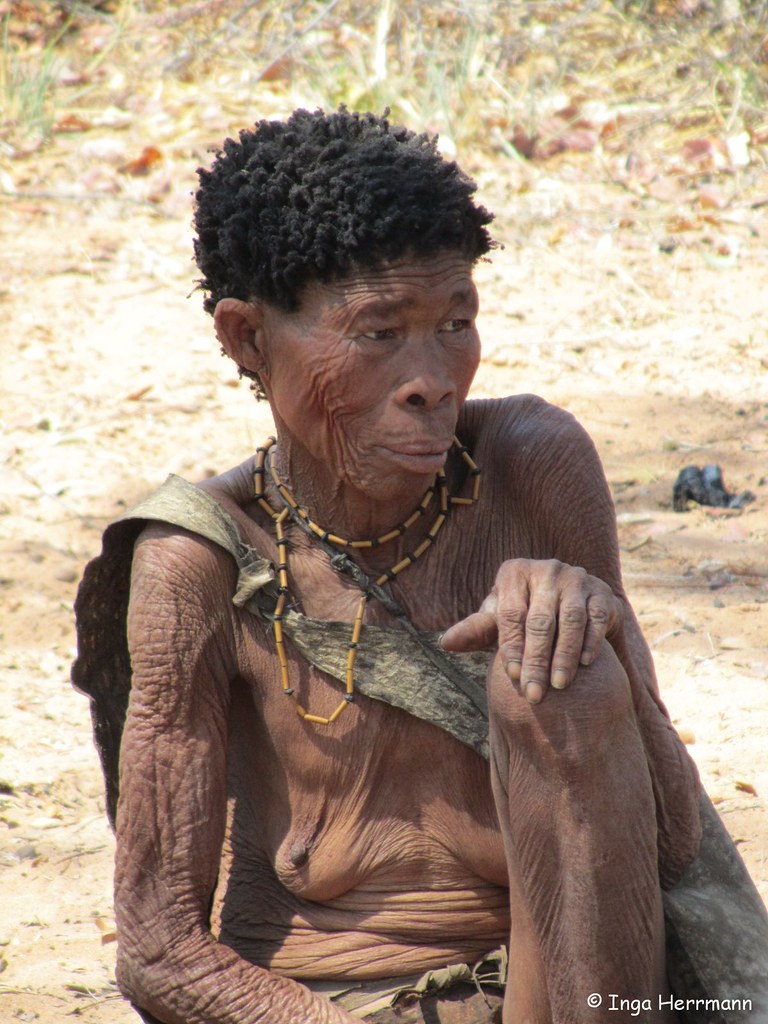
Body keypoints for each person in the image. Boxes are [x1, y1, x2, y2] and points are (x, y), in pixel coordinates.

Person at [73, 108, 709, 1024]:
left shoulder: (533, 467)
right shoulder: (199, 560)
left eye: (457, 322)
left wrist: (595, 622)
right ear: (247, 338)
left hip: (565, 993)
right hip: (326, 1004)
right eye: (378, 334)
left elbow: (676, 846)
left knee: (559, 672)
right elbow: (160, 951)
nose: (433, 380)